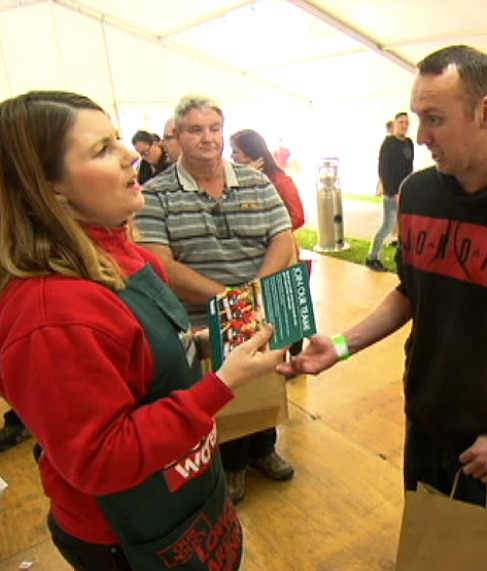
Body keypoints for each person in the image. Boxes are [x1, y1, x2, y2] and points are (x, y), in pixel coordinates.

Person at [279, 45, 487, 514]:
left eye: (435, 119)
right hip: (424, 415)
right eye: (417, 118)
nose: (422, 136)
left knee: (472, 553)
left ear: (486, 111)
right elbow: (410, 293)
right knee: (427, 535)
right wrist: (342, 346)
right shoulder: (419, 193)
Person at [0, 90, 286, 570]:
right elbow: (100, 458)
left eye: (117, 139)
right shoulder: (48, 315)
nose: (132, 153)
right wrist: (221, 385)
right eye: (102, 149)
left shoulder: (121, 253)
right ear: (50, 187)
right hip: (129, 533)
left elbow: (141, 359)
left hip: (186, 491)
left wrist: (212, 343)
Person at [136, 95, 297, 504]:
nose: (208, 139)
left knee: (263, 380)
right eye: (196, 130)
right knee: (217, 392)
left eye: (214, 129)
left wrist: (257, 291)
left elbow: (282, 235)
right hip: (198, 319)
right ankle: (230, 462)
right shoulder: (156, 194)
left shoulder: (256, 182)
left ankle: (263, 448)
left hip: (259, 304)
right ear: (177, 135)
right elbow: (160, 263)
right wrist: (229, 299)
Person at [230, 128, 305, 231]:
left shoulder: (280, 180)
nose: (231, 156)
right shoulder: (234, 179)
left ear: (250, 153)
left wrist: (270, 233)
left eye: (235, 152)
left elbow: (298, 217)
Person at [365, 111, 413, 272]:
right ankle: (372, 257)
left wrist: (408, 188)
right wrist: (393, 192)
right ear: (394, 125)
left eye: (407, 123)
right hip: (392, 193)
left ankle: (401, 251)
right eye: (401, 122)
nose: (404, 125)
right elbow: (383, 170)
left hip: (404, 191)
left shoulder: (409, 143)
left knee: (403, 223)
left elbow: (409, 168)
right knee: (387, 225)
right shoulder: (389, 144)